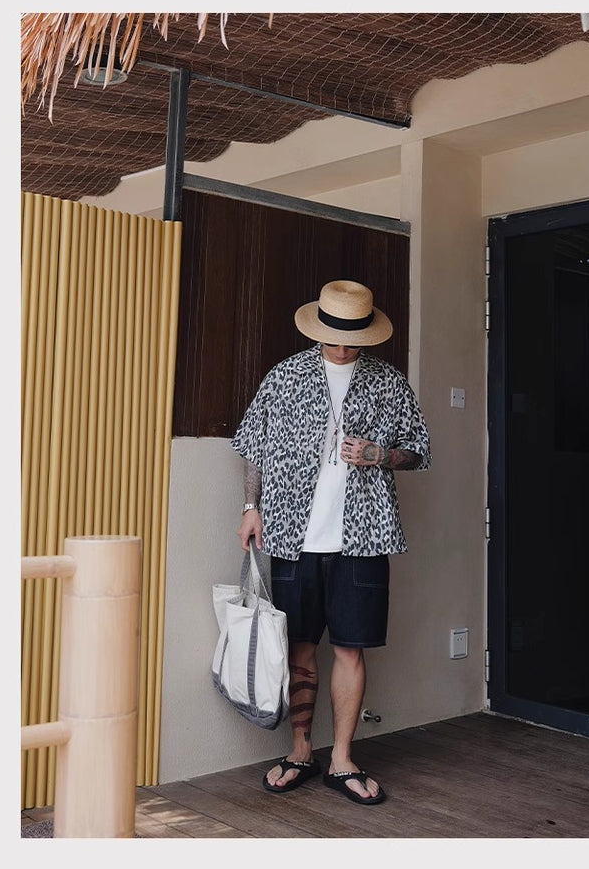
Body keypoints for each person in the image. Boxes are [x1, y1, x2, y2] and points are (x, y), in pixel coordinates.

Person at [231, 279, 430, 805]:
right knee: (299, 646)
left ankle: (342, 758)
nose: (342, 348)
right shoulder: (286, 376)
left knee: (350, 648)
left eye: (351, 339)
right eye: (334, 337)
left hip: (365, 536)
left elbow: (418, 451)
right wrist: (251, 507)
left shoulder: (389, 382)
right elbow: (255, 445)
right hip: (292, 534)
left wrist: (380, 455)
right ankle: (301, 751)